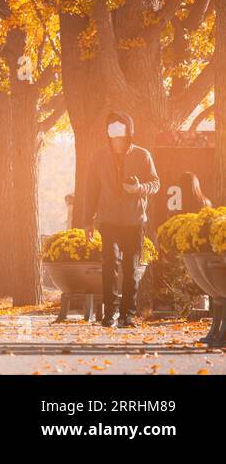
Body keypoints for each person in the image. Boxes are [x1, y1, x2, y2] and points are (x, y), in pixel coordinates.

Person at [83, 111, 160, 328]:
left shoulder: (143, 155)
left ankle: (128, 314)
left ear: (129, 135)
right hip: (108, 220)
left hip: (135, 220)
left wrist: (138, 189)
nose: (117, 141)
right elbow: (91, 191)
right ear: (108, 135)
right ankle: (110, 312)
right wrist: (87, 221)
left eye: (121, 137)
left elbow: (155, 184)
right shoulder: (98, 157)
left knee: (131, 267)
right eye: (113, 136)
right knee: (110, 263)